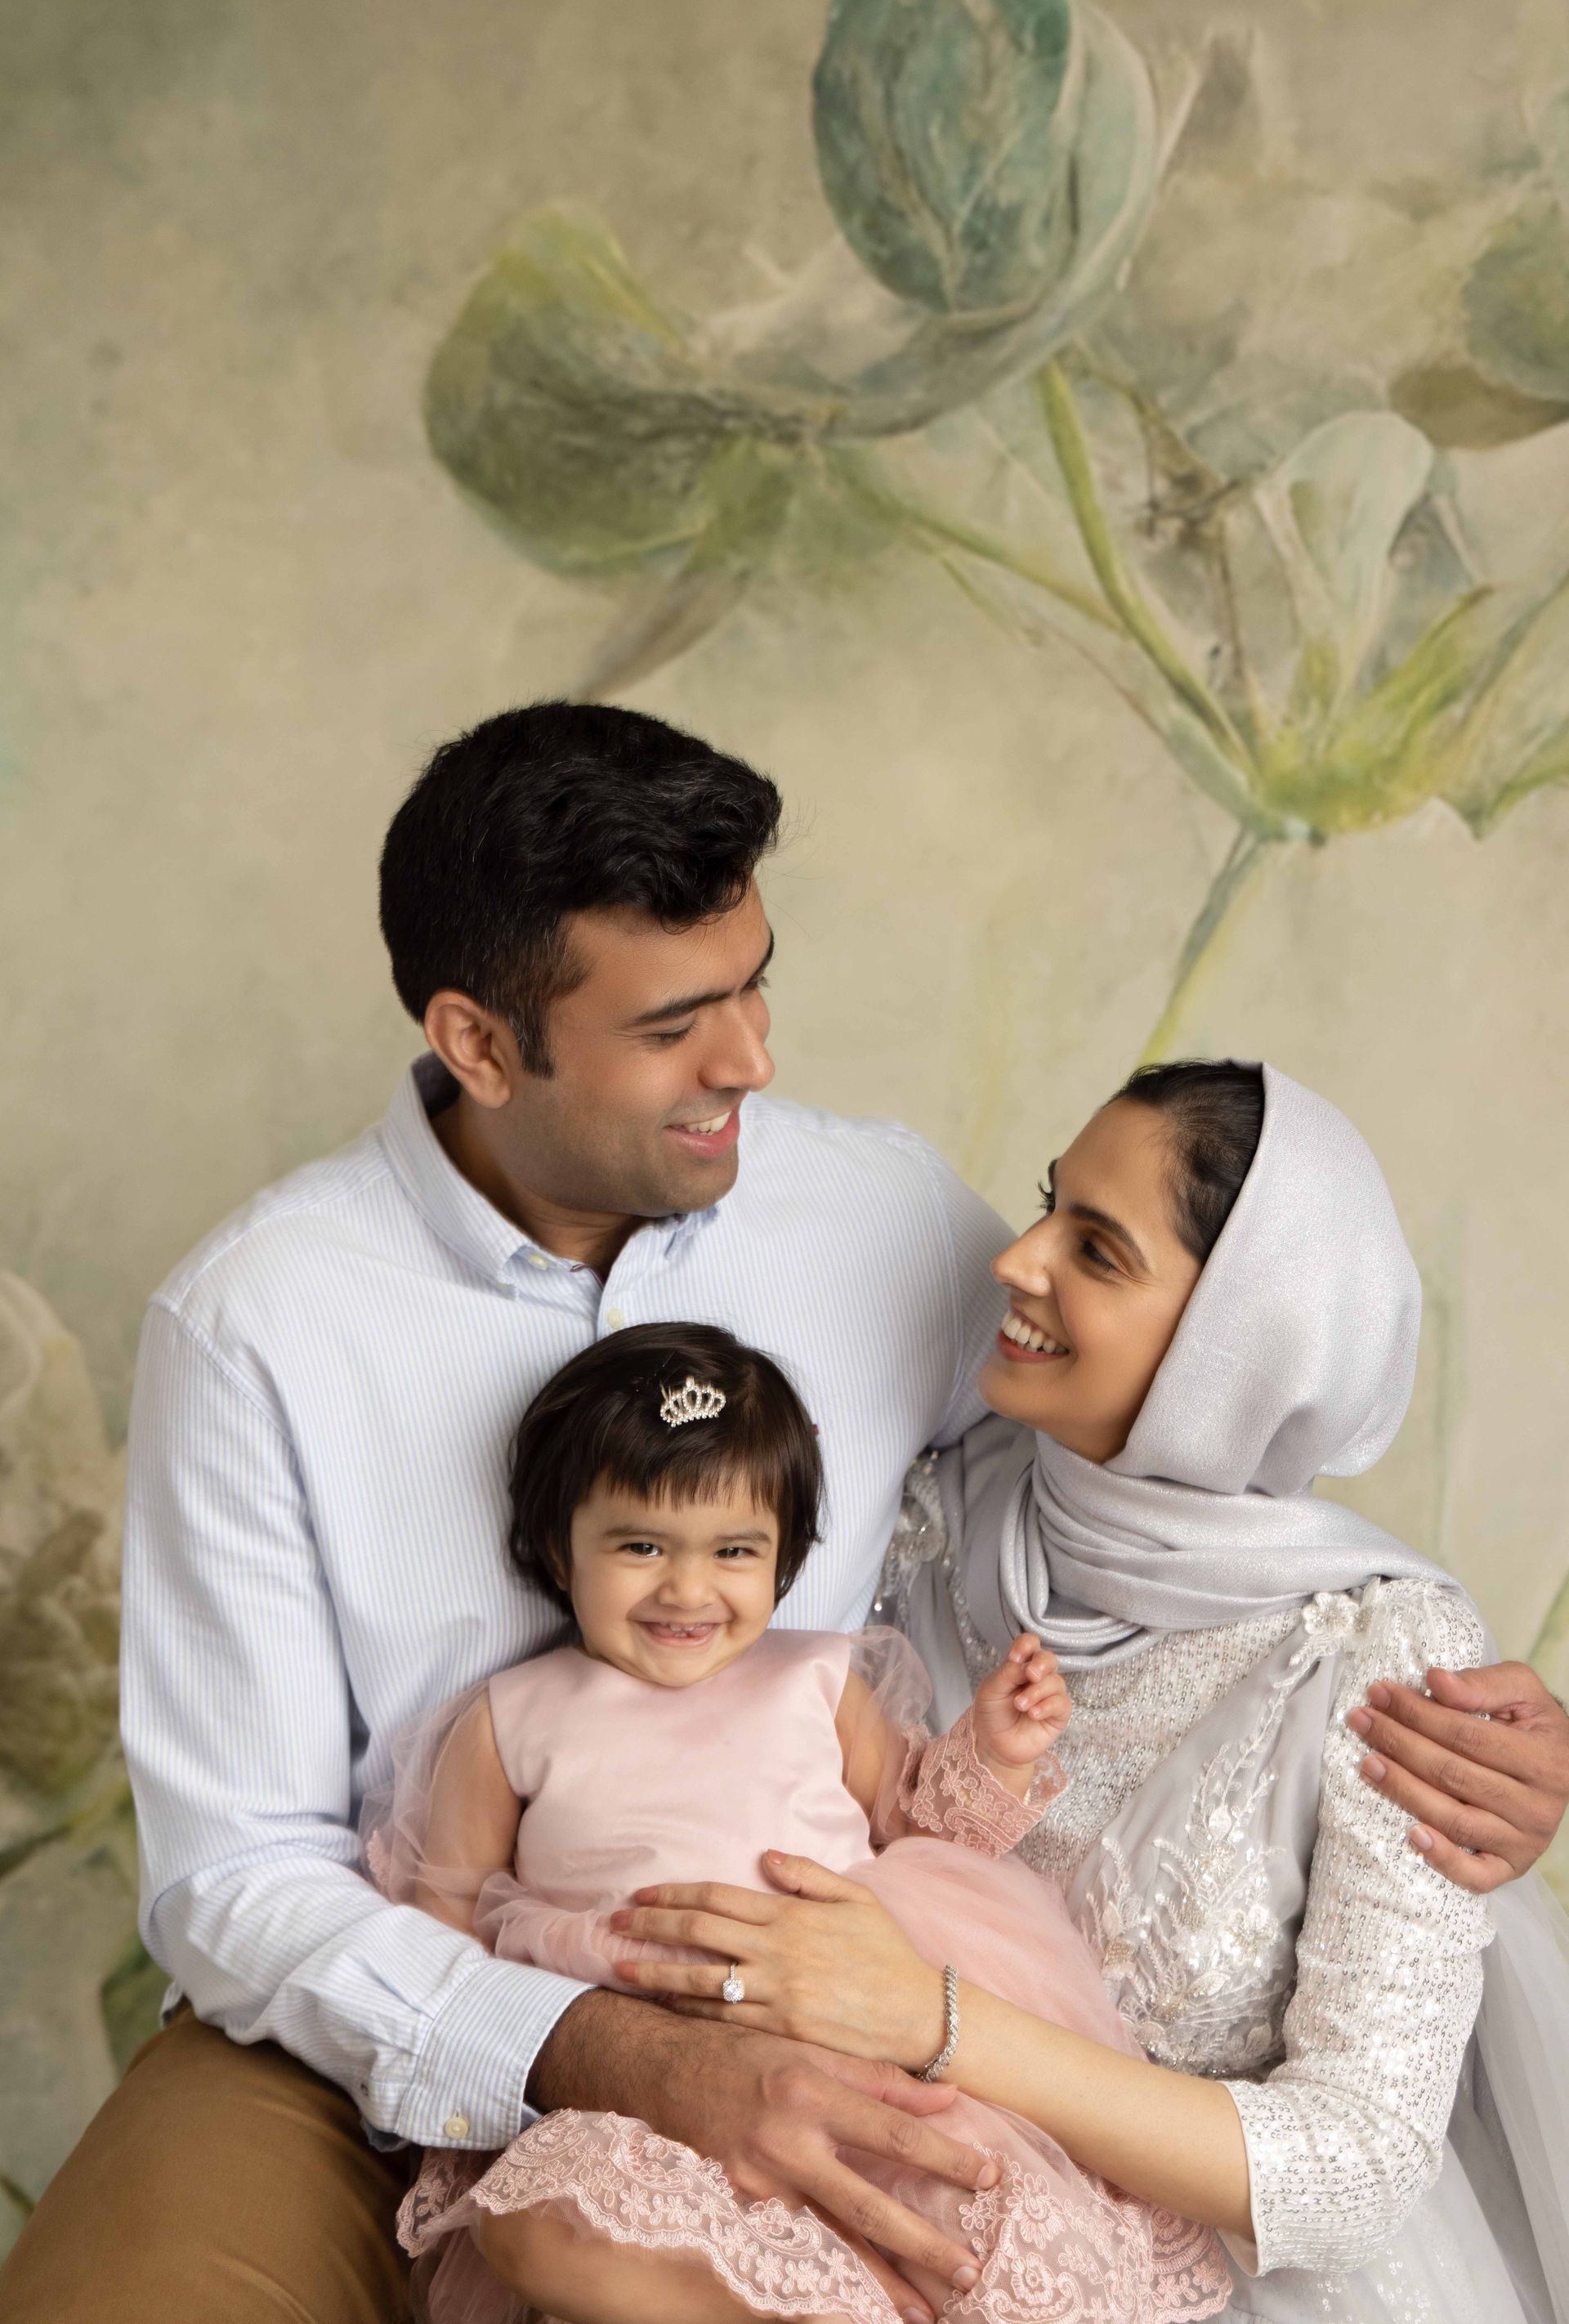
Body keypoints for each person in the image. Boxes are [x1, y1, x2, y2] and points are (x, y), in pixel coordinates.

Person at [2, 708, 1565, 2322]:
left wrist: (1469, 1733)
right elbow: (244, 1873)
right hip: (409, 1995)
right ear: (478, 1042)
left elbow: (1163, 1459)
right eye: (680, 1019)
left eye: (756, 980)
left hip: (842, 1977)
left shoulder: (874, 1210)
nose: (751, 1055)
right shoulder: (260, 1324)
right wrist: (608, 2048)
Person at [618, 1062, 1569, 2322]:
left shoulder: (1375, 1646)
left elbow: (1361, 2166)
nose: (1016, 1259)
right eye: (1046, 1204)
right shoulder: (918, 1518)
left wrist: (930, 2015)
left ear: (1242, 1338)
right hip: (903, 2227)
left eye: (1097, 1249)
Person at [364, 1319, 1232, 2324]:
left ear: (782, 1556)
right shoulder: (513, 1714)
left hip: (854, 2039)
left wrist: (991, 1752)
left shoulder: (813, 1678)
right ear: (561, 1544)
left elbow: (919, 1824)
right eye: (640, 1544)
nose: (687, 1588)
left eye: (733, 1549)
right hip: (634, 2084)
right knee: (539, 2223)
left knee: (967, 2201)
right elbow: (447, 1919)